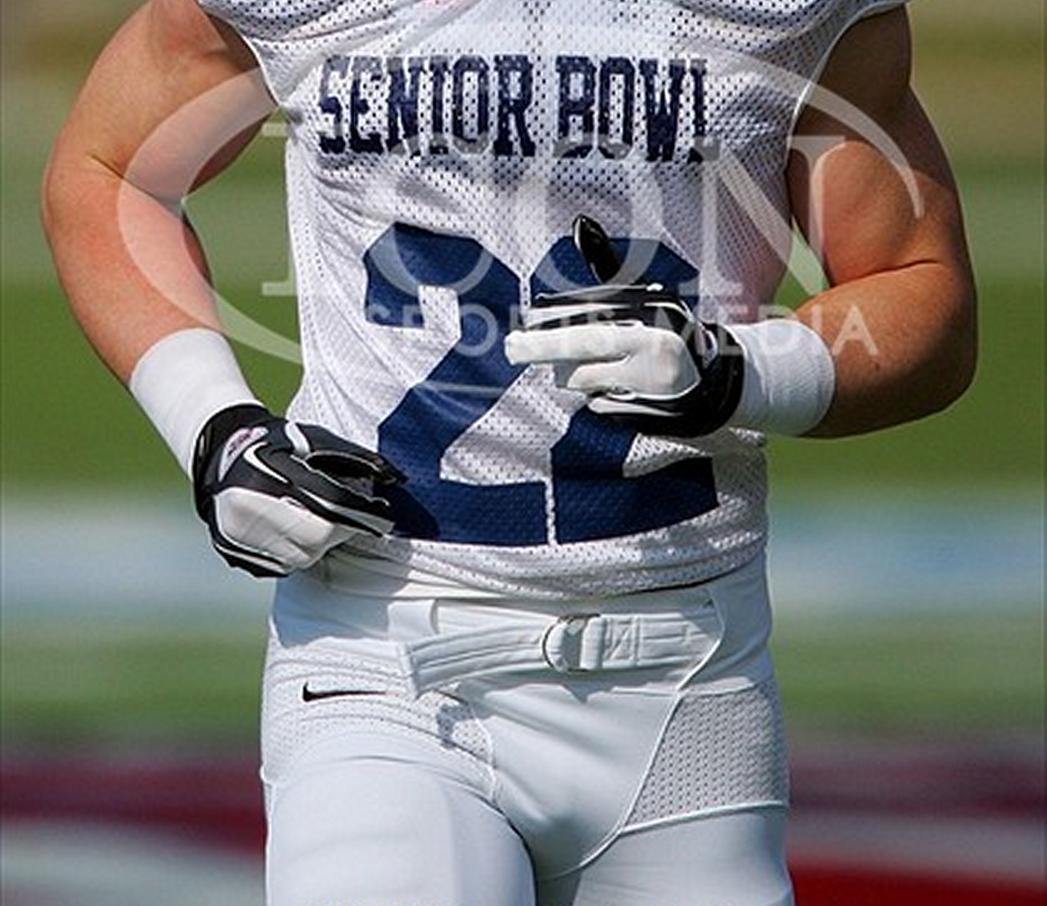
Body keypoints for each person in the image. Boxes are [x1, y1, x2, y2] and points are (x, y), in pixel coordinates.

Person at [42, 0, 976, 903]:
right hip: (385, 640)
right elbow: (112, 171)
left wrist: (739, 371)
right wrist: (215, 426)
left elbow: (917, 290)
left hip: (686, 668)